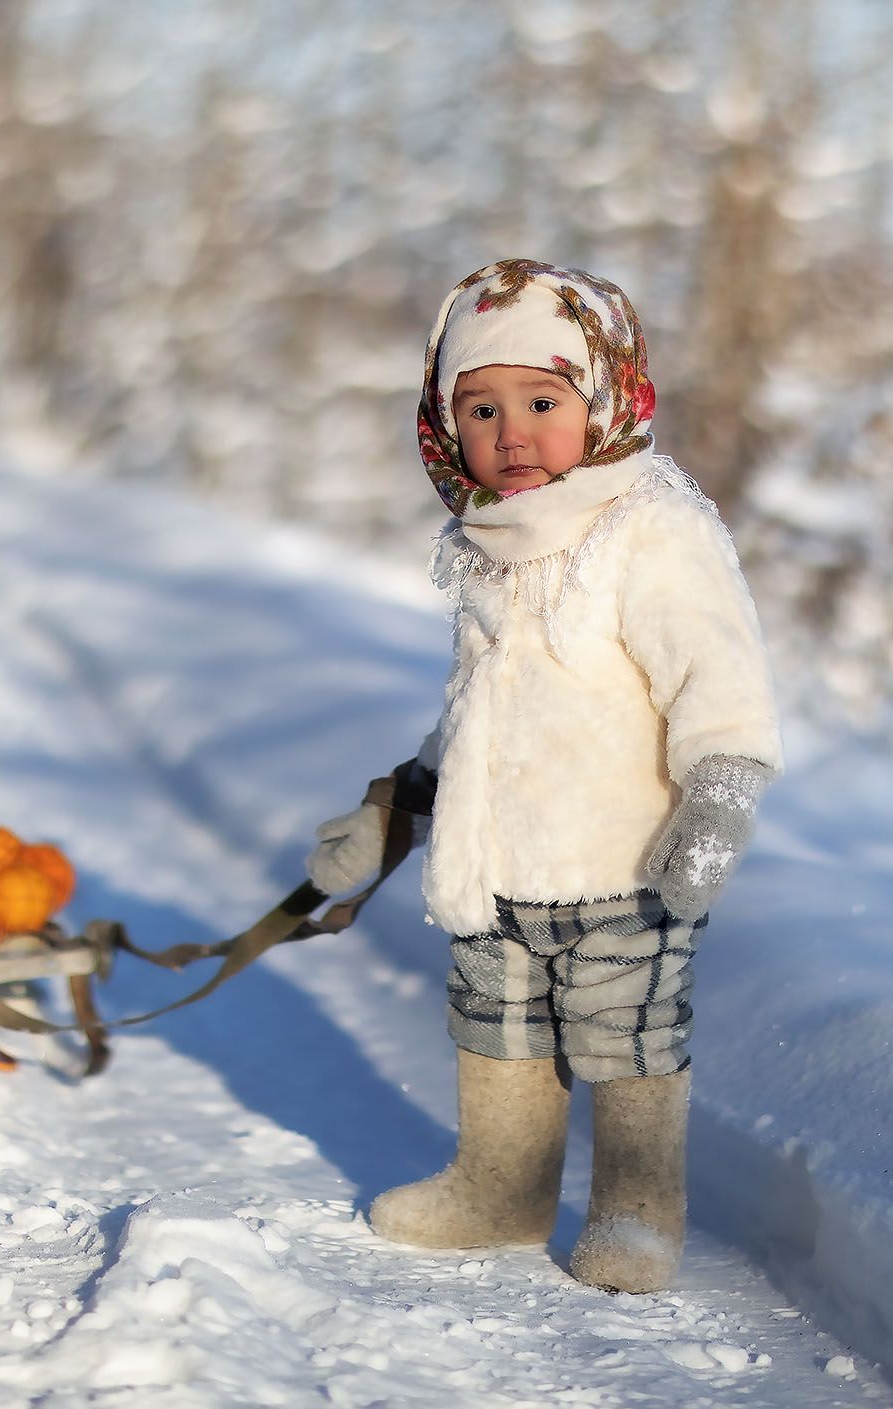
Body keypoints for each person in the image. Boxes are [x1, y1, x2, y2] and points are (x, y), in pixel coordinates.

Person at [306, 258, 783, 1294]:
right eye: (479, 407)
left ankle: (636, 1210)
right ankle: (500, 1189)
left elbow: (720, 682)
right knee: (498, 1032)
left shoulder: (647, 523)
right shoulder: (486, 541)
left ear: (602, 395)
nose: (510, 432)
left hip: (624, 864)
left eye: (539, 400)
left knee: (628, 1037)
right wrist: (397, 809)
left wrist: (716, 803)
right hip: (495, 865)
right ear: (444, 421)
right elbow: (473, 710)